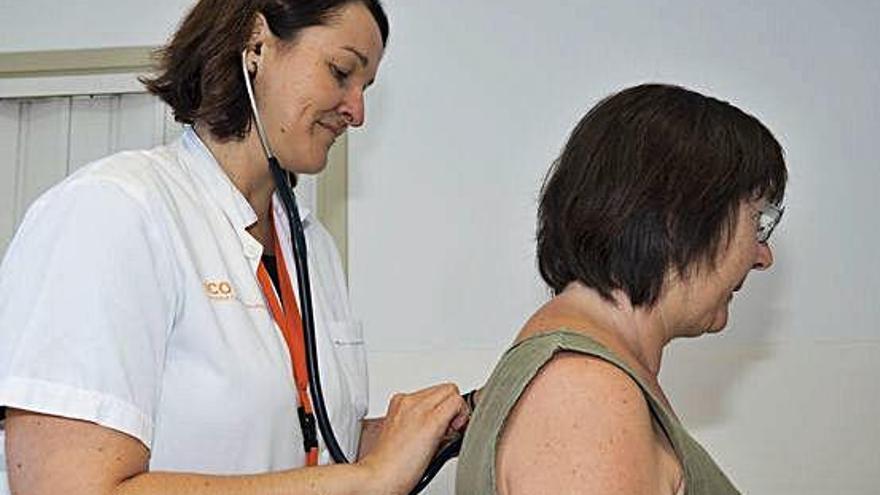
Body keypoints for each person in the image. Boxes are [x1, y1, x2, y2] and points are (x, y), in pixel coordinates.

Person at [0, 1, 469, 494]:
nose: (357, 111)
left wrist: (425, 430)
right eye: (341, 72)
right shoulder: (114, 210)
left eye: (365, 88)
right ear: (256, 42)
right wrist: (368, 480)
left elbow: (298, 450)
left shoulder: (312, 247)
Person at [456, 84, 787, 495]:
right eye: (757, 222)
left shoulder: (590, 381)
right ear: (678, 216)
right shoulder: (584, 395)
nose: (762, 255)